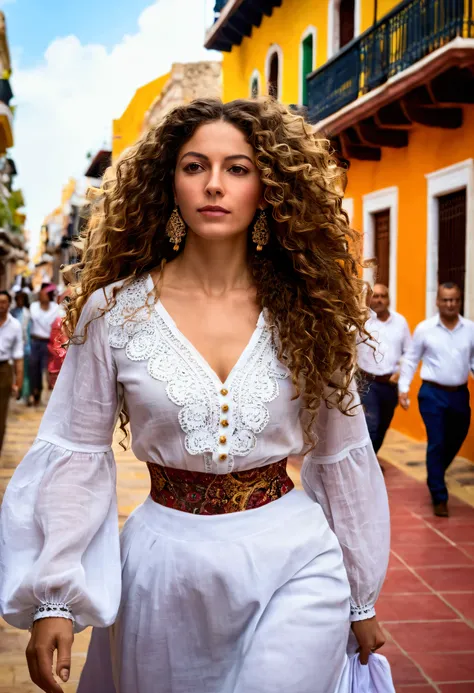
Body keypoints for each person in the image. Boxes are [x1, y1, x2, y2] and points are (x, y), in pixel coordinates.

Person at [0, 99, 391, 693]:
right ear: (170, 186)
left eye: (237, 168)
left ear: (268, 188)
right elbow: (75, 453)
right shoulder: (113, 312)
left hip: (296, 558)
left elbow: (342, 454)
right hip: (163, 568)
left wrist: (360, 598)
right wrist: (55, 595)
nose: (214, 184)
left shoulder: (314, 313)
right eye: (194, 167)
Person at [399, 282, 474, 517]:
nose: (450, 304)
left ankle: (436, 473)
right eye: (446, 300)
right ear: (438, 301)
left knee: (457, 436)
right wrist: (403, 388)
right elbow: (411, 360)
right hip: (433, 394)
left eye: (454, 300)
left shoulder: (470, 329)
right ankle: (439, 495)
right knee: (437, 441)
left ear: (459, 302)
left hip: (460, 394)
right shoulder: (425, 329)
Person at [358, 284, 411, 461]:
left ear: (389, 299)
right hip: (367, 383)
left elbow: (409, 353)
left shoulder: (400, 322)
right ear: (369, 299)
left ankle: (370, 461)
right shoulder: (361, 322)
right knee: (372, 424)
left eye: (383, 296)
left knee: (383, 426)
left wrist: (400, 371)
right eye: (376, 296)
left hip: (390, 384)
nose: (379, 299)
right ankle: (365, 466)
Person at [0, 290, 23, 453]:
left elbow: (18, 357)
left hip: (4, 371)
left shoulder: (15, 326)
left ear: (9, 304)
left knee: (1, 414)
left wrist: (18, 383)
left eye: (4, 302)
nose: (1, 305)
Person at [28, 284, 59, 405]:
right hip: (35, 342)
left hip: (49, 342)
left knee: (48, 369)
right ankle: (35, 392)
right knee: (34, 368)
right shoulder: (33, 307)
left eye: (44, 293)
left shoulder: (55, 308)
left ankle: (48, 396)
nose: (41, 295)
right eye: (40, 293)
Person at [11, 290, 31, 402]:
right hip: (13, 346)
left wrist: (28, 346)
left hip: (24, 345)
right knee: (15, 371)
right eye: (18, 299)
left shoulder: (27, 313)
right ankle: (16, 391)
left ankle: (25, 393)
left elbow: (27, 331)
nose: (19, 301)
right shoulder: (12, 312)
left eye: (21, 299)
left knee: (24, 371)